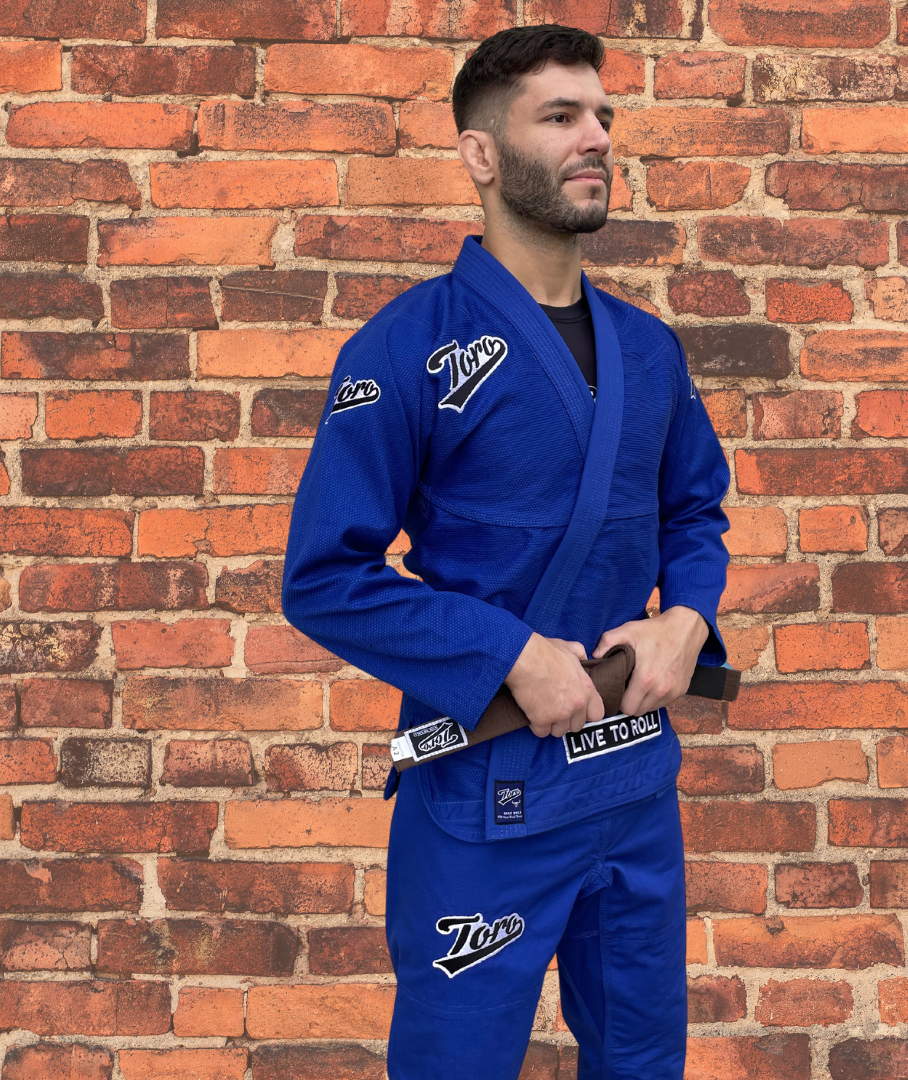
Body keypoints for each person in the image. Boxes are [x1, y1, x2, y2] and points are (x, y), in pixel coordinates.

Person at [282, 24, 730, 1080]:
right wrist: (507, 655)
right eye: (561, 116)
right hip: (484, 798)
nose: (597, 138)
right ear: (481, 156)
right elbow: (323, 578)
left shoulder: (648, 349)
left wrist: (686, 619)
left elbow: (696, 512)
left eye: (605, 116)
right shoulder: (403, 348)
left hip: (629, 792)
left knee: (643, 1066)